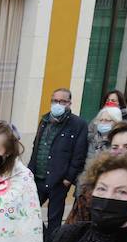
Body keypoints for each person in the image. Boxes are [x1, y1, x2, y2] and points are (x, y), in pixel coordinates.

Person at [28, 88, 90, 233]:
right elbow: (36, 147)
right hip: (38, 177)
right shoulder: (44, 121)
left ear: (69, 103)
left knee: (54, 220)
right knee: (30, 212)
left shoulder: (78, 124)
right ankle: (40, 241)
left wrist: (69, 178)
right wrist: (30, 172)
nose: (58, 104)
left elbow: (79, 153)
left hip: (59, 180)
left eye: (62, 101)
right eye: (55, 101)